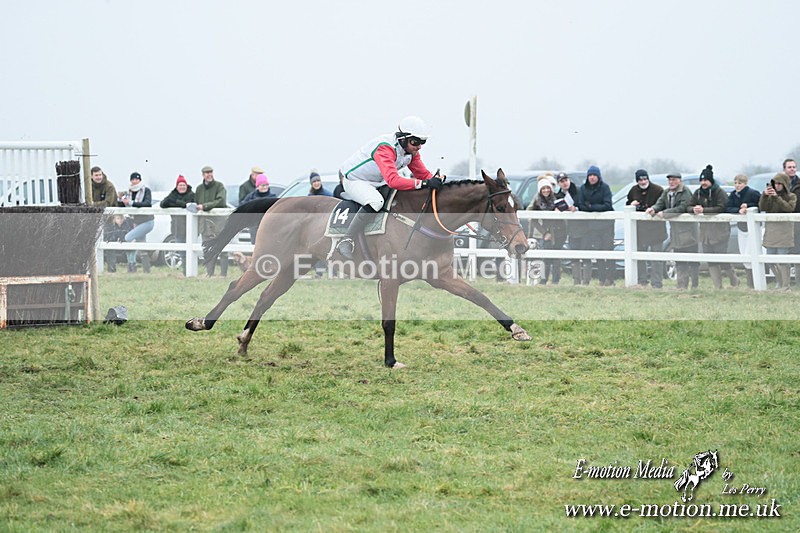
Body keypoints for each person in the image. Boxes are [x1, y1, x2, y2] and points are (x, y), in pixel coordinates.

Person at [336, 116, 442, 260]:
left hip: (377, 180)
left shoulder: (411, 152)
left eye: (423, 142)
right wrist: (424, 184)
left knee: (402, 197)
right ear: (402, 139)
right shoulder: (385, 148)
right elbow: (393, 181)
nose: (419, 146)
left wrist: (437, 181)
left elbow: (423, 174)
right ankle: (346, 239)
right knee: (376, 202)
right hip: (354, 179)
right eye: (415, 142)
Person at [689, 165, 737, 289]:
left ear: (710, 180)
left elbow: (722, 207)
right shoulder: (698, 193)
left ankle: (734, 281)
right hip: (705, 233)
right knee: (710, 260)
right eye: (702, 180)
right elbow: (688, 205)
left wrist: (704, 210)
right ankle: (718, 286)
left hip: (719, 231)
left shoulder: (719, 192)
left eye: (706, 180)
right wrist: (693, 209)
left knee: (722, 259)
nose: (703, 183)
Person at [646, 173, 698, 290]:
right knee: (679, 259)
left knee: (693, 261)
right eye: (670, 180)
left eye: (674, 180)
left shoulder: (685, 192)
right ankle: (681, 286)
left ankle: (695, 286)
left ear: (679, 181)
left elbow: (682, 207)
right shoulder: (667, 192)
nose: (671, 182)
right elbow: (660, 202)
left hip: (689, 231)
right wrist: (653, 208)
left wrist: (666, 213)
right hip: (675, 231)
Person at [626, 169, 667, 288]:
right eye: (640, 180)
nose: (643, 181)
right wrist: (631, 205)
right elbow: (628, 204)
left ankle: (657, 283)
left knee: (656, 258)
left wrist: (653, 209)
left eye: (645, 179)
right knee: (639, 257)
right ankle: (642, 281)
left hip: (656, 230)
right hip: (640, 230)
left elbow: (663, 205)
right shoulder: (633, 190)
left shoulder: (658, 190)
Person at [758, 172, 797, 290]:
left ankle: (786, 285)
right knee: (769, 259)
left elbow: (789, 208)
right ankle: (779, 282)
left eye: (780, 183)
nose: (777, 186)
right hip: (771, 230)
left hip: (784, 230)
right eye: (775, 183)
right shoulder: (769, 195)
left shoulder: (792, 196)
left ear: (785, 184)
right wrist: (764, 196)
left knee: (782, 259)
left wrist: (777, 198)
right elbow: (763, 207)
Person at [578, 165, 614, 286]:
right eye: (590, 175)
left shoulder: (605, 188)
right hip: (592, 226)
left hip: (606, 225)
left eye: (594, 175)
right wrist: (593, 208)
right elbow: (581, 205)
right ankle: (602, 279)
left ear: (598, 176)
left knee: (608, 251)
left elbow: (608, 205)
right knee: (598, 251)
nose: (592, 178)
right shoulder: (583, 188)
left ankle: (610, 278)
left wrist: (591, 207)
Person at [527, 174, 565, 285]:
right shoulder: (537, 201)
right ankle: (544, 280)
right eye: (543, 188)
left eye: (548, 187)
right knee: (546, 257)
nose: (546, 190)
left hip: (559, 231)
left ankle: (555, 281)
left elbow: (565, 209)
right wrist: (545, 232)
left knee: (556, 257)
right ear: (540, 190)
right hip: (547, 232)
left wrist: (560, 210)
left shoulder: (557, 198)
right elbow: (531, 217)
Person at [726, 174, 761, 288]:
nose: (737, 185)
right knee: (744, 254)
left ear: (745, 183)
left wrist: (749, 207)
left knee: (751, 254)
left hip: (753, 229)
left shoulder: (753, 193)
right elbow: (727, 207)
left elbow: (760, 205)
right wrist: (739, 210)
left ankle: (755, 283)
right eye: (735, 183)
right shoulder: (733, 195)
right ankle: (749, 283)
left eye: (739, 183)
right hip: (741, 228)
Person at [194, 165, 228, 276]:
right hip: (205, 224)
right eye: (207, 173)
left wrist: (205, 206)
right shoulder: (199, 189)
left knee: (222, 248)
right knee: (206, 249)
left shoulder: (219, 186)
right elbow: (196, 203)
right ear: (203, 175)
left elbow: (221, 201)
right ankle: (210, 273)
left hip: (219, 223)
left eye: (211, 172)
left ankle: (223, 274)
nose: (209, 175)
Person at [117, 172, 154, 273]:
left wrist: (131, 203)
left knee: (127, 238)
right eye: (133, 179)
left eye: (136, 179)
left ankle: (131, 264)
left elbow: (147, 203)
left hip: (147, 221)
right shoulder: (128, 192)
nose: (134, 181)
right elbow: (123, 206)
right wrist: (121, 199)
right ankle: (146, 270)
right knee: (141, 244)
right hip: (136, 221)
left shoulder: (146, 190)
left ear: (140, 180)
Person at [553, 172, 585, 285]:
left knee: (586, 253)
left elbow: (583, 204)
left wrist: (576, 208)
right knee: (574, 253)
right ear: (559, 183)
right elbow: (559, 207)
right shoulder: (558, 195)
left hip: (583, 226)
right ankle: (576, 280)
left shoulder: (579, 191)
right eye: (562, 181)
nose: (565, 183)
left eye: (566, 180)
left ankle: (585, 281)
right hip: (571, 227)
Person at [160, 175, 195, 245]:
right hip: (177, 227)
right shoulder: (173, 194)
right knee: (181, 250)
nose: (182, 187)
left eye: (183, 185)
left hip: (190, 227)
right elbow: (163, 204)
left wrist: (176, 202)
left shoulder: (192, 195)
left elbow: (189, 206)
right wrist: (177, 203)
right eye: (180, 185)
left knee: (191, 250)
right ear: (177, 187)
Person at [241, 173, 277, 243]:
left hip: (268, 225)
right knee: (254, 244)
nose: (265, 187)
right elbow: (242, 206)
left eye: (266, 185)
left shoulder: (273, 197)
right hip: (254, 224)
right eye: (263, 185)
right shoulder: (250, 197)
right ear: (258, 186)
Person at [784, 159, 800, 285]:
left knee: (797, 251)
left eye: (794, 167)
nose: (792, 169)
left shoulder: (799, 185)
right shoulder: (777, 184)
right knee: (785, 252)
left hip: (797, 223)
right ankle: (785, 282)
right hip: (783, 224)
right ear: (784, 169)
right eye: (789, 167)